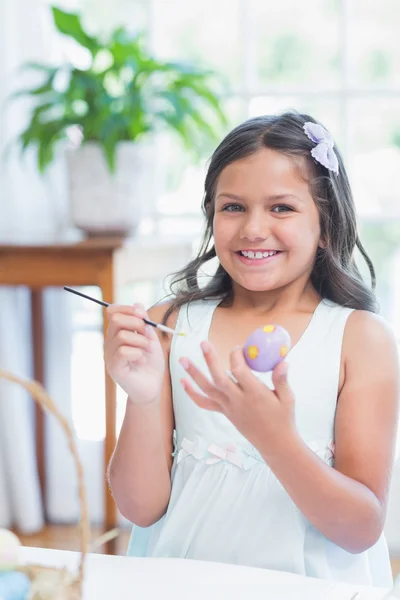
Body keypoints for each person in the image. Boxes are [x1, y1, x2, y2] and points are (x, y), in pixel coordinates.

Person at [105, 112, 399, 586]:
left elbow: (360, 528)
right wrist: (141, 399)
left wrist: (274, 437)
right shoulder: (171, 324)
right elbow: (140, 507)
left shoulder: (361, 339)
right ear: (211, 216)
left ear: (326, 224)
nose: (253, 229)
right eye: (233, 207)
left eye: (281, 208)